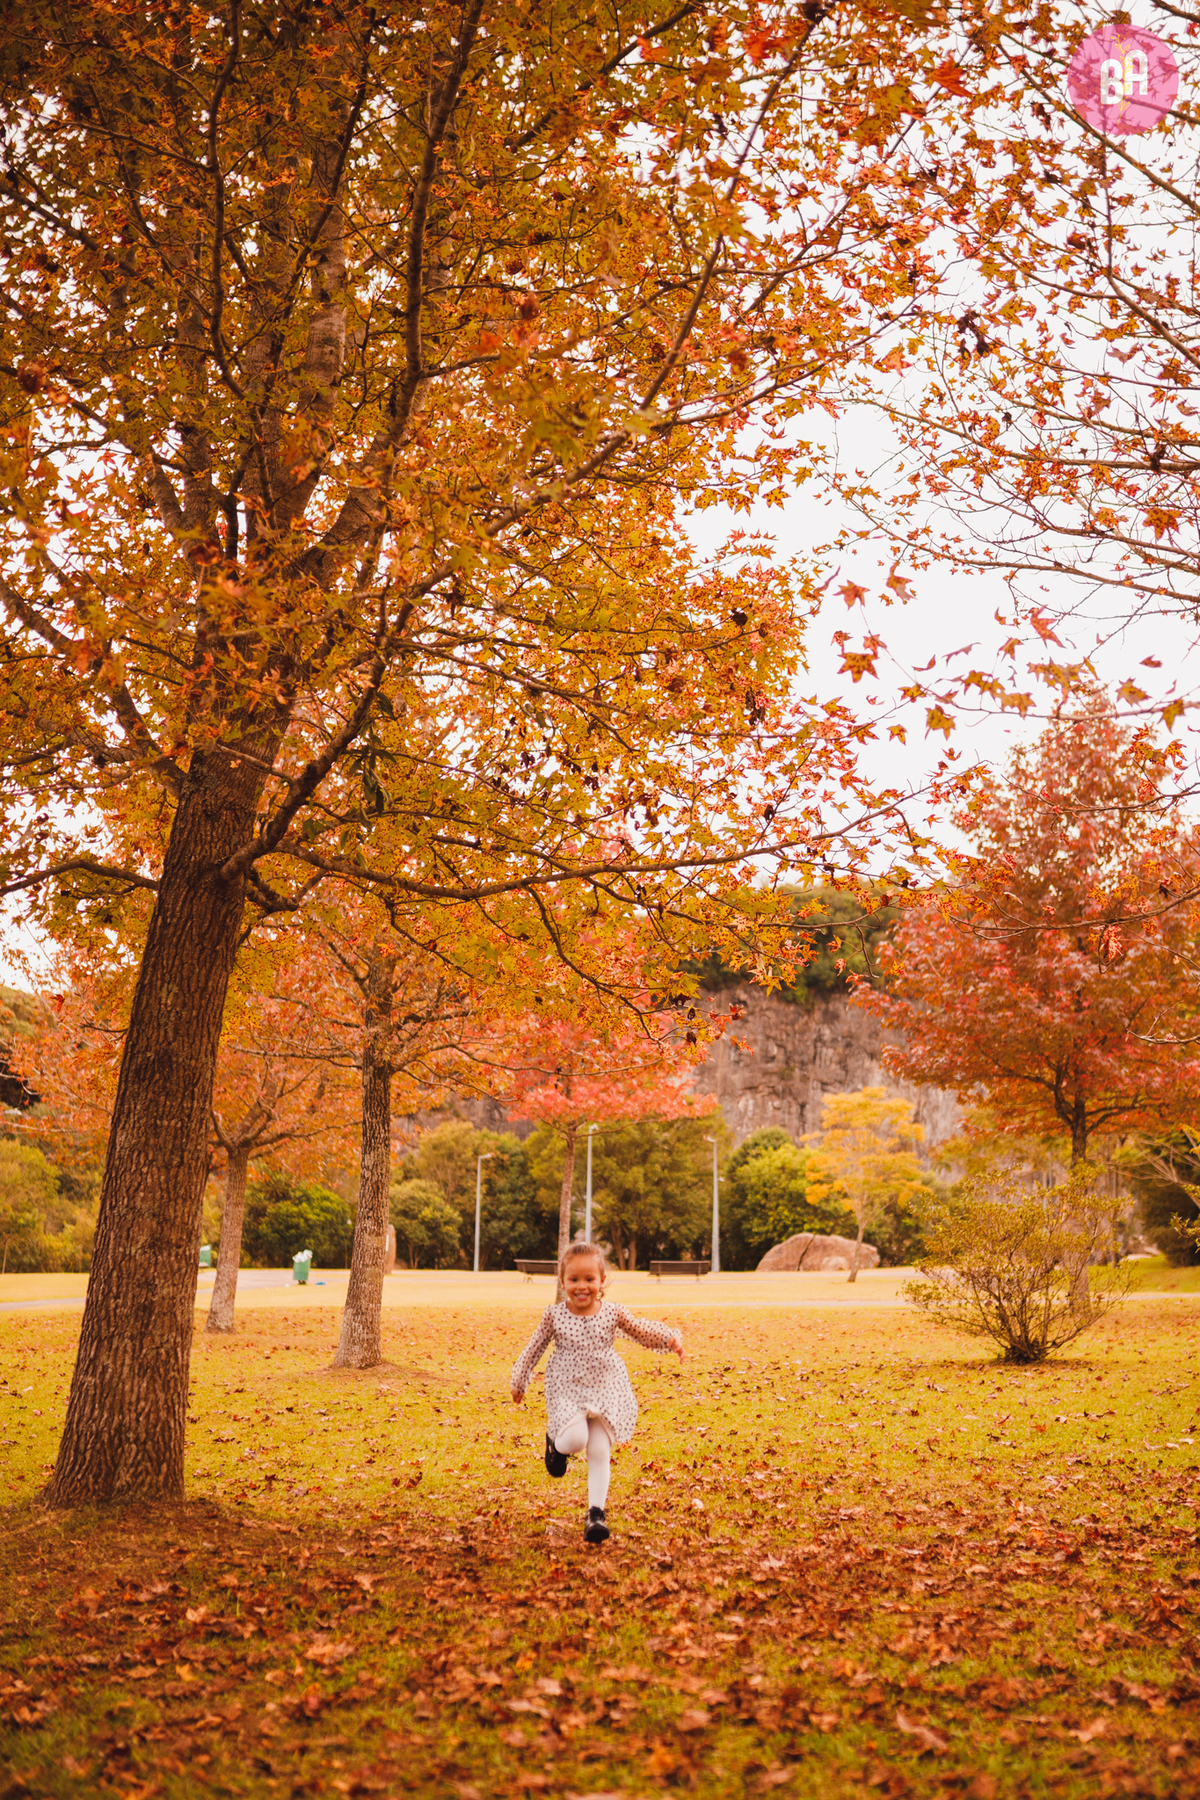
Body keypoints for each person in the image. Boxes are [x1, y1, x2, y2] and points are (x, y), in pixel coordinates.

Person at [510, 1242, 684, 1545]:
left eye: (589, 1279)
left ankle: (596, 1514)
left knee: (600, 1449)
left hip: (604, 1387)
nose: (582, 1287)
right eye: (574, 1279)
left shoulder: (613, 1313)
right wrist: (519, 1380)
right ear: (563, 1282)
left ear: (601, 1282)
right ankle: (555, 1441)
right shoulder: (554, 1316)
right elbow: (533, 1348)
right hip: (567, 1388)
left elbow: (640, 1330)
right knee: (576, 1439)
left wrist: (670, 1338)